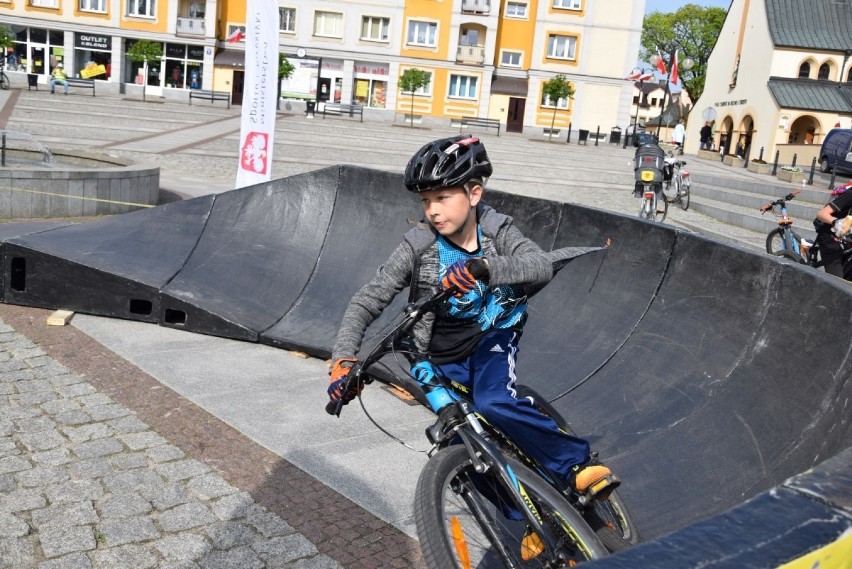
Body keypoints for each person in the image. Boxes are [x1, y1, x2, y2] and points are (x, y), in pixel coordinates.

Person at [328, 134, 619, 503]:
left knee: (494, 403)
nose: (433, 210)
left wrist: (484, 267)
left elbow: (539, 266)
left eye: (443, 197)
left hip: (490, 334)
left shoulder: (497, 230)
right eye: (425, 200)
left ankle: (576, 465)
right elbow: (366, 302)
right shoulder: (417, 246)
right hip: (432, 356)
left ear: (475, 194)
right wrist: (343, 359)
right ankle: (532, 520)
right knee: (457, 444)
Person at [813, 186, 852, 281]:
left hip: (847, 240)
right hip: (830, 239)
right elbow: (821, 214)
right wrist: (837, 222)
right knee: (838, 284)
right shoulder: (850, 195)